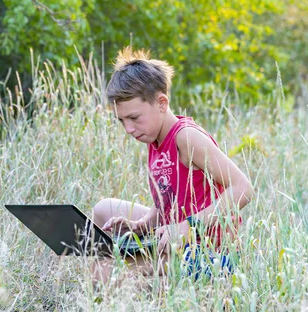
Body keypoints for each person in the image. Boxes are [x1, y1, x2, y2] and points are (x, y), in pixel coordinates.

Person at [91, 47, 254, 284]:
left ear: (161, 103)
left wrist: (189, 226)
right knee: (103, 209)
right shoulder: (154, 137)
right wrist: (141, 225)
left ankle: (146, 282)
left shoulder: (186, 138)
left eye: (134, 118)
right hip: (175, 235)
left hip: (212, 252)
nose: (128, 129)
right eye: (122, 120)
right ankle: (137, 271)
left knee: (102, 270)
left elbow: (243, 188)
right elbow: (170, 203)